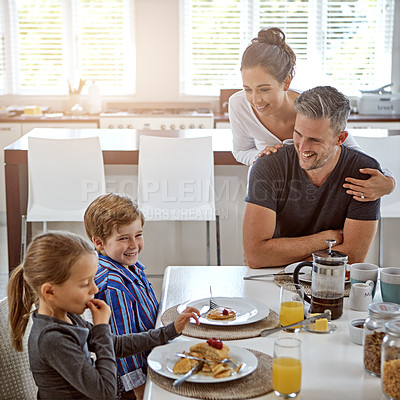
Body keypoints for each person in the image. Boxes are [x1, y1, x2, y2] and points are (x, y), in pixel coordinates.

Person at [7, 231, 199, 400]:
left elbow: (115, 344)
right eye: (85, 283)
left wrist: (171, 330)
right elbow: (105, 392)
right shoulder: (52, 338)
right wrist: (101, 326)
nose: (95, 288)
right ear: (50, 292)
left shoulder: (67, 317)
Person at [229, 27, 394, 202]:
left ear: (286, 82)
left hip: (312, 198)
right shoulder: (239, 105)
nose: (256, 100)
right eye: (247, 89)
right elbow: (241, 150)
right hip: (268, 191)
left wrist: (389, 181)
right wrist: (259, 155)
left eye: (264, 89)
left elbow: (353, 152)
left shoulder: (313, 108)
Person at [243, 86, 381, 268]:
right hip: (271, 276)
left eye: (315, 140)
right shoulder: (268, 166)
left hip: (333, 280)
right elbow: (256, 256)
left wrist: (281, 254)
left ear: (340, 138)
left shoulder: (364, 174)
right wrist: (327, 239)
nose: (302, 147)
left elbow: (353, 257)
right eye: (298, 134)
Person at [83, 193, 156, 400]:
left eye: (138, 235)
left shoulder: (130, 266)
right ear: (99, 243)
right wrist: (139, 389)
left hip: (149, 357)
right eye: (124, 238)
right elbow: (121, 345)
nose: (134, 245)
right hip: (132, 384)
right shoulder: (113, 285)